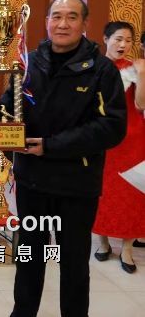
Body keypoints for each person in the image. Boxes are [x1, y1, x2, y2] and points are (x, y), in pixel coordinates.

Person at [0, 0, 127, 317]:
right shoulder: (29, 62)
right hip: (32, 181)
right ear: (46, 21)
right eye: (56, 16)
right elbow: (11, 108)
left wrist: (52, 145)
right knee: (28, 258)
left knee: (74, 264)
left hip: (77, 185)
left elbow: (112, 128)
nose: (63, 24)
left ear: (85, 24)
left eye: (72, 17)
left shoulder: (101, 69)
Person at [92, 21, 145, 273]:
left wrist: (142, 75)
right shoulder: (92, 67)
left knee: (132, 192)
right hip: (101, 137)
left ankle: (127, 248)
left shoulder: (135, 68)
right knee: (101, 190)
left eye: (128, 40)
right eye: (118, 39)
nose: (123, 44)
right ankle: (102, 242)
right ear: (105, 39)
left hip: (132, 139)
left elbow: (141, 105)